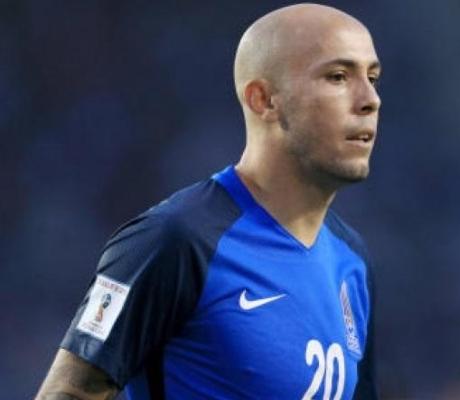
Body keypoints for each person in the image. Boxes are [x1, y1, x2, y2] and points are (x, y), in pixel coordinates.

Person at [36, 3, 381, 399]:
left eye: (372, 78)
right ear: (264, 100)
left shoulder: (351, 261)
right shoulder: (176, 240)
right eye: (338, 76)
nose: (370, 99)